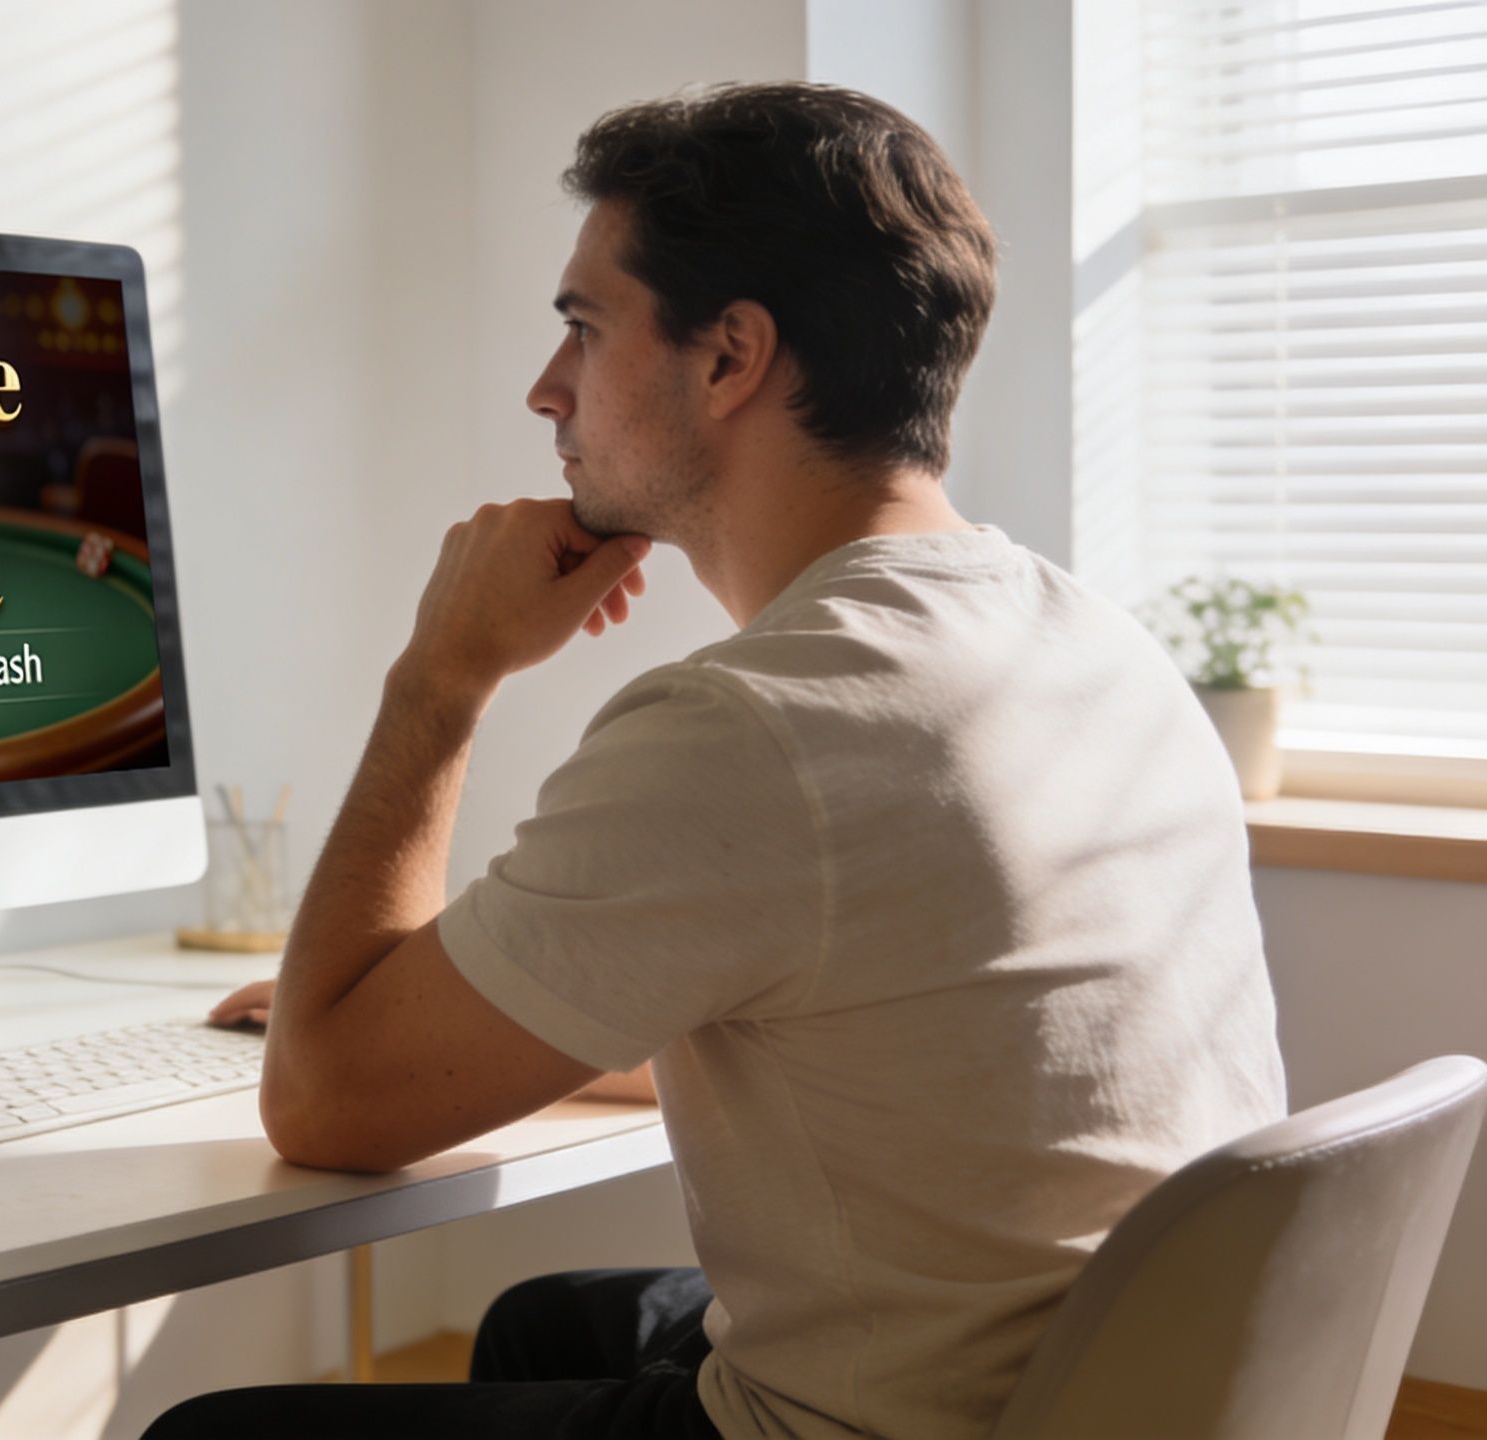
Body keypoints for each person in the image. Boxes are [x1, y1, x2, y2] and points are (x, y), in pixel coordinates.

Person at [142, 81, 1285, 1440]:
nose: (545, 390)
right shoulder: (1091, 639)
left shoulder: (760, 724)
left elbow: (325, 1106)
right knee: (545, 1323)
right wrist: (468, 1014)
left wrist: (441, 677)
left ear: (730, 357)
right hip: (1114, 1379)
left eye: (582, 327)